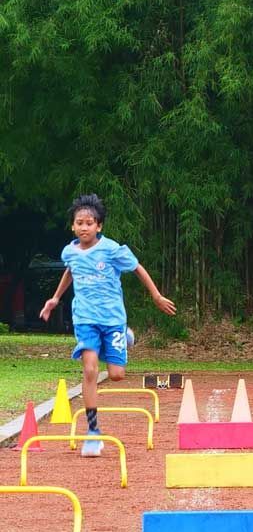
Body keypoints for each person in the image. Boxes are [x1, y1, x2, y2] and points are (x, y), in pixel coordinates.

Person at [39, 194, 176, 456]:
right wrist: (55, 298)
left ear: (99, 226)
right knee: (90, 370)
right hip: (84, 319)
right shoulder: (70, 251)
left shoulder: (112, 250)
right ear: (73, 226)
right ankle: (93, 433)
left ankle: (125, 336)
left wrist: (156, 296)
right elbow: (70, 270)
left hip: (113, 319)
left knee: (116, 375)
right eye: (79, 223)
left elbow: (137, 268)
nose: (84, 227)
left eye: (89, 223)